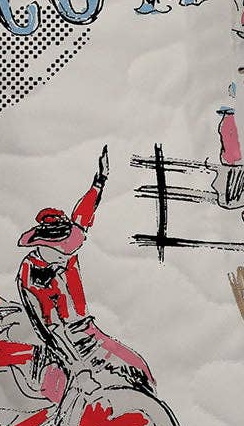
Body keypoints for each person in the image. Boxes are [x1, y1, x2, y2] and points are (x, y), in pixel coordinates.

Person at [14, 150, 154, 401]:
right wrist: (79, 369)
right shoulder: (32, 274)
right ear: (44, 245)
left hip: (89, 332)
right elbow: (51, 328)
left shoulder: (65, 255)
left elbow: (82, 215)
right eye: (63, 250)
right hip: (64, 344)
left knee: (140, 371)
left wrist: (99, 181)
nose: (69, 255)